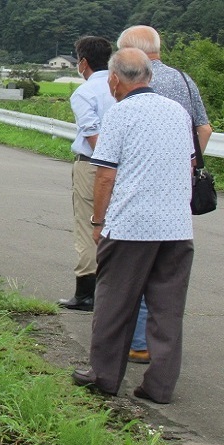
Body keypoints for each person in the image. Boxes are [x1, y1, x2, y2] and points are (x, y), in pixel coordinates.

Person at [71, 48, 195, 404]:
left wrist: (98, 221)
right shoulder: (177, 112)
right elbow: (186, 166)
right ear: (149, 77)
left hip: (131, 227)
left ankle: (104, 375)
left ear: (114, 79)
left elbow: (105, 175)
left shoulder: (121, 114)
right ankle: (159, 386)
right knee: (167, 310)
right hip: (176, 229)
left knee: (114, 304)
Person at [117, 25, 213, 364]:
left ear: (129, 53)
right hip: (177, 191)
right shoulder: (185, 80)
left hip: (137, 187)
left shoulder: (130, 79)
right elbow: (204, 127)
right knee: (167, 271)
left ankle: (137, 341)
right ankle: (156, 346)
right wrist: (185, 165)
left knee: (133, 264)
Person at [58, 36, 116, 311]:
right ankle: (113, 290)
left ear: (83, 62)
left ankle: (85, 293)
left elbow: (91, 132)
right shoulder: (121, 85)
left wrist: (107, 161)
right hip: (125, 168)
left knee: (89, 224)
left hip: (93, 165)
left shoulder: (85, 92)